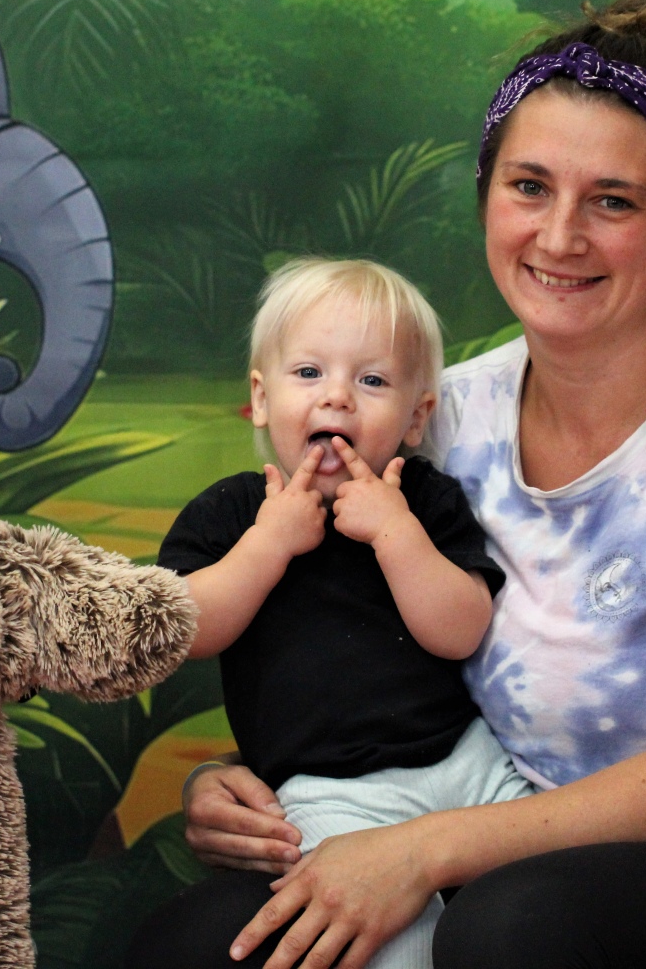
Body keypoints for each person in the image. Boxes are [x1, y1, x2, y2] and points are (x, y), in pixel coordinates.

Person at [129, 0, 646, 969]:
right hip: (496, 835)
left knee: (510, 932)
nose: (559, 236)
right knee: (194, 946)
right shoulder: (434, 418)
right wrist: (237, 786)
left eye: (613, 201)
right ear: (486, 197)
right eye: (529, 187)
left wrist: (419, 851)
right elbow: (346, 652)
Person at [157, 258, 534, 969]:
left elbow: (461, 631)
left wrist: (396, 534)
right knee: (385, 942)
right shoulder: (231, 512)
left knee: (537, 898)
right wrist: (268, 545)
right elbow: (186, 631)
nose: (337, 396)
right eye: (308, 373)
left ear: (417, 417)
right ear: (261, 399)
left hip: (468, 761)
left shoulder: (423, 500)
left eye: (373, 381)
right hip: (327, 792)